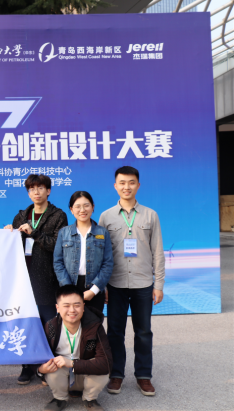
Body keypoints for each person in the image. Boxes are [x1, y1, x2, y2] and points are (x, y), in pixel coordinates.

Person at [98, 166, 164, 397]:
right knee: (115, 332)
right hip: (115, 284)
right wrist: (103, 285)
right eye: (122, 183)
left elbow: (158, 251)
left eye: (131, 182)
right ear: (115, 186)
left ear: (138, 185)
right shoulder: (106, 216)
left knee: (143, 332)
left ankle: (144, 376)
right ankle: (116, 375)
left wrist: (159, 284)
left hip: (143, 284)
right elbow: (101, 253)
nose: (127, 187)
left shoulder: (150, 215)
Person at [4, 174, 68, 385]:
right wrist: (7, 234)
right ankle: (27, 366)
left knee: (49, 324)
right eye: (32, 189)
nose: (36, 192)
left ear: (48, 191)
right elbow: (13, 246)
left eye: (40, 188)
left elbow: (58, 245)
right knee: (26, 323)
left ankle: (50, 365)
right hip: (23, 279)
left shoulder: (58, 215)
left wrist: (34, 233)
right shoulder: (21, 216)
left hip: (47, 279)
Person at [37, 285, 111, 411]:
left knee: (102, 370)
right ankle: (59, 399)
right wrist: (40, 369)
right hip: (62, 376)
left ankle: (90, 399)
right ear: (57, 308)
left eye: (77, 305)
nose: (72, 310)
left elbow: (106, 363)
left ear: (83, 307)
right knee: (51, 364)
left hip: (86, 374)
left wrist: (72, 363)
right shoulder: (50, 327)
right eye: (66, 306)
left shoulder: (95, 326)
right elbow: (35, 356)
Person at [53, 191, 114, 313]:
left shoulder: (102, 233)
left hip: (94, 288)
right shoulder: (64, 233)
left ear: (93, 207)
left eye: (86, 205)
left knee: (93, 323)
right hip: (70, 286)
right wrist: (68, 288)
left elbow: (108, 263)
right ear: (71, 209)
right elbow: (58, 262)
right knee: (72, 322)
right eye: (77, 206)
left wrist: (94, 290)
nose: (82, 210)